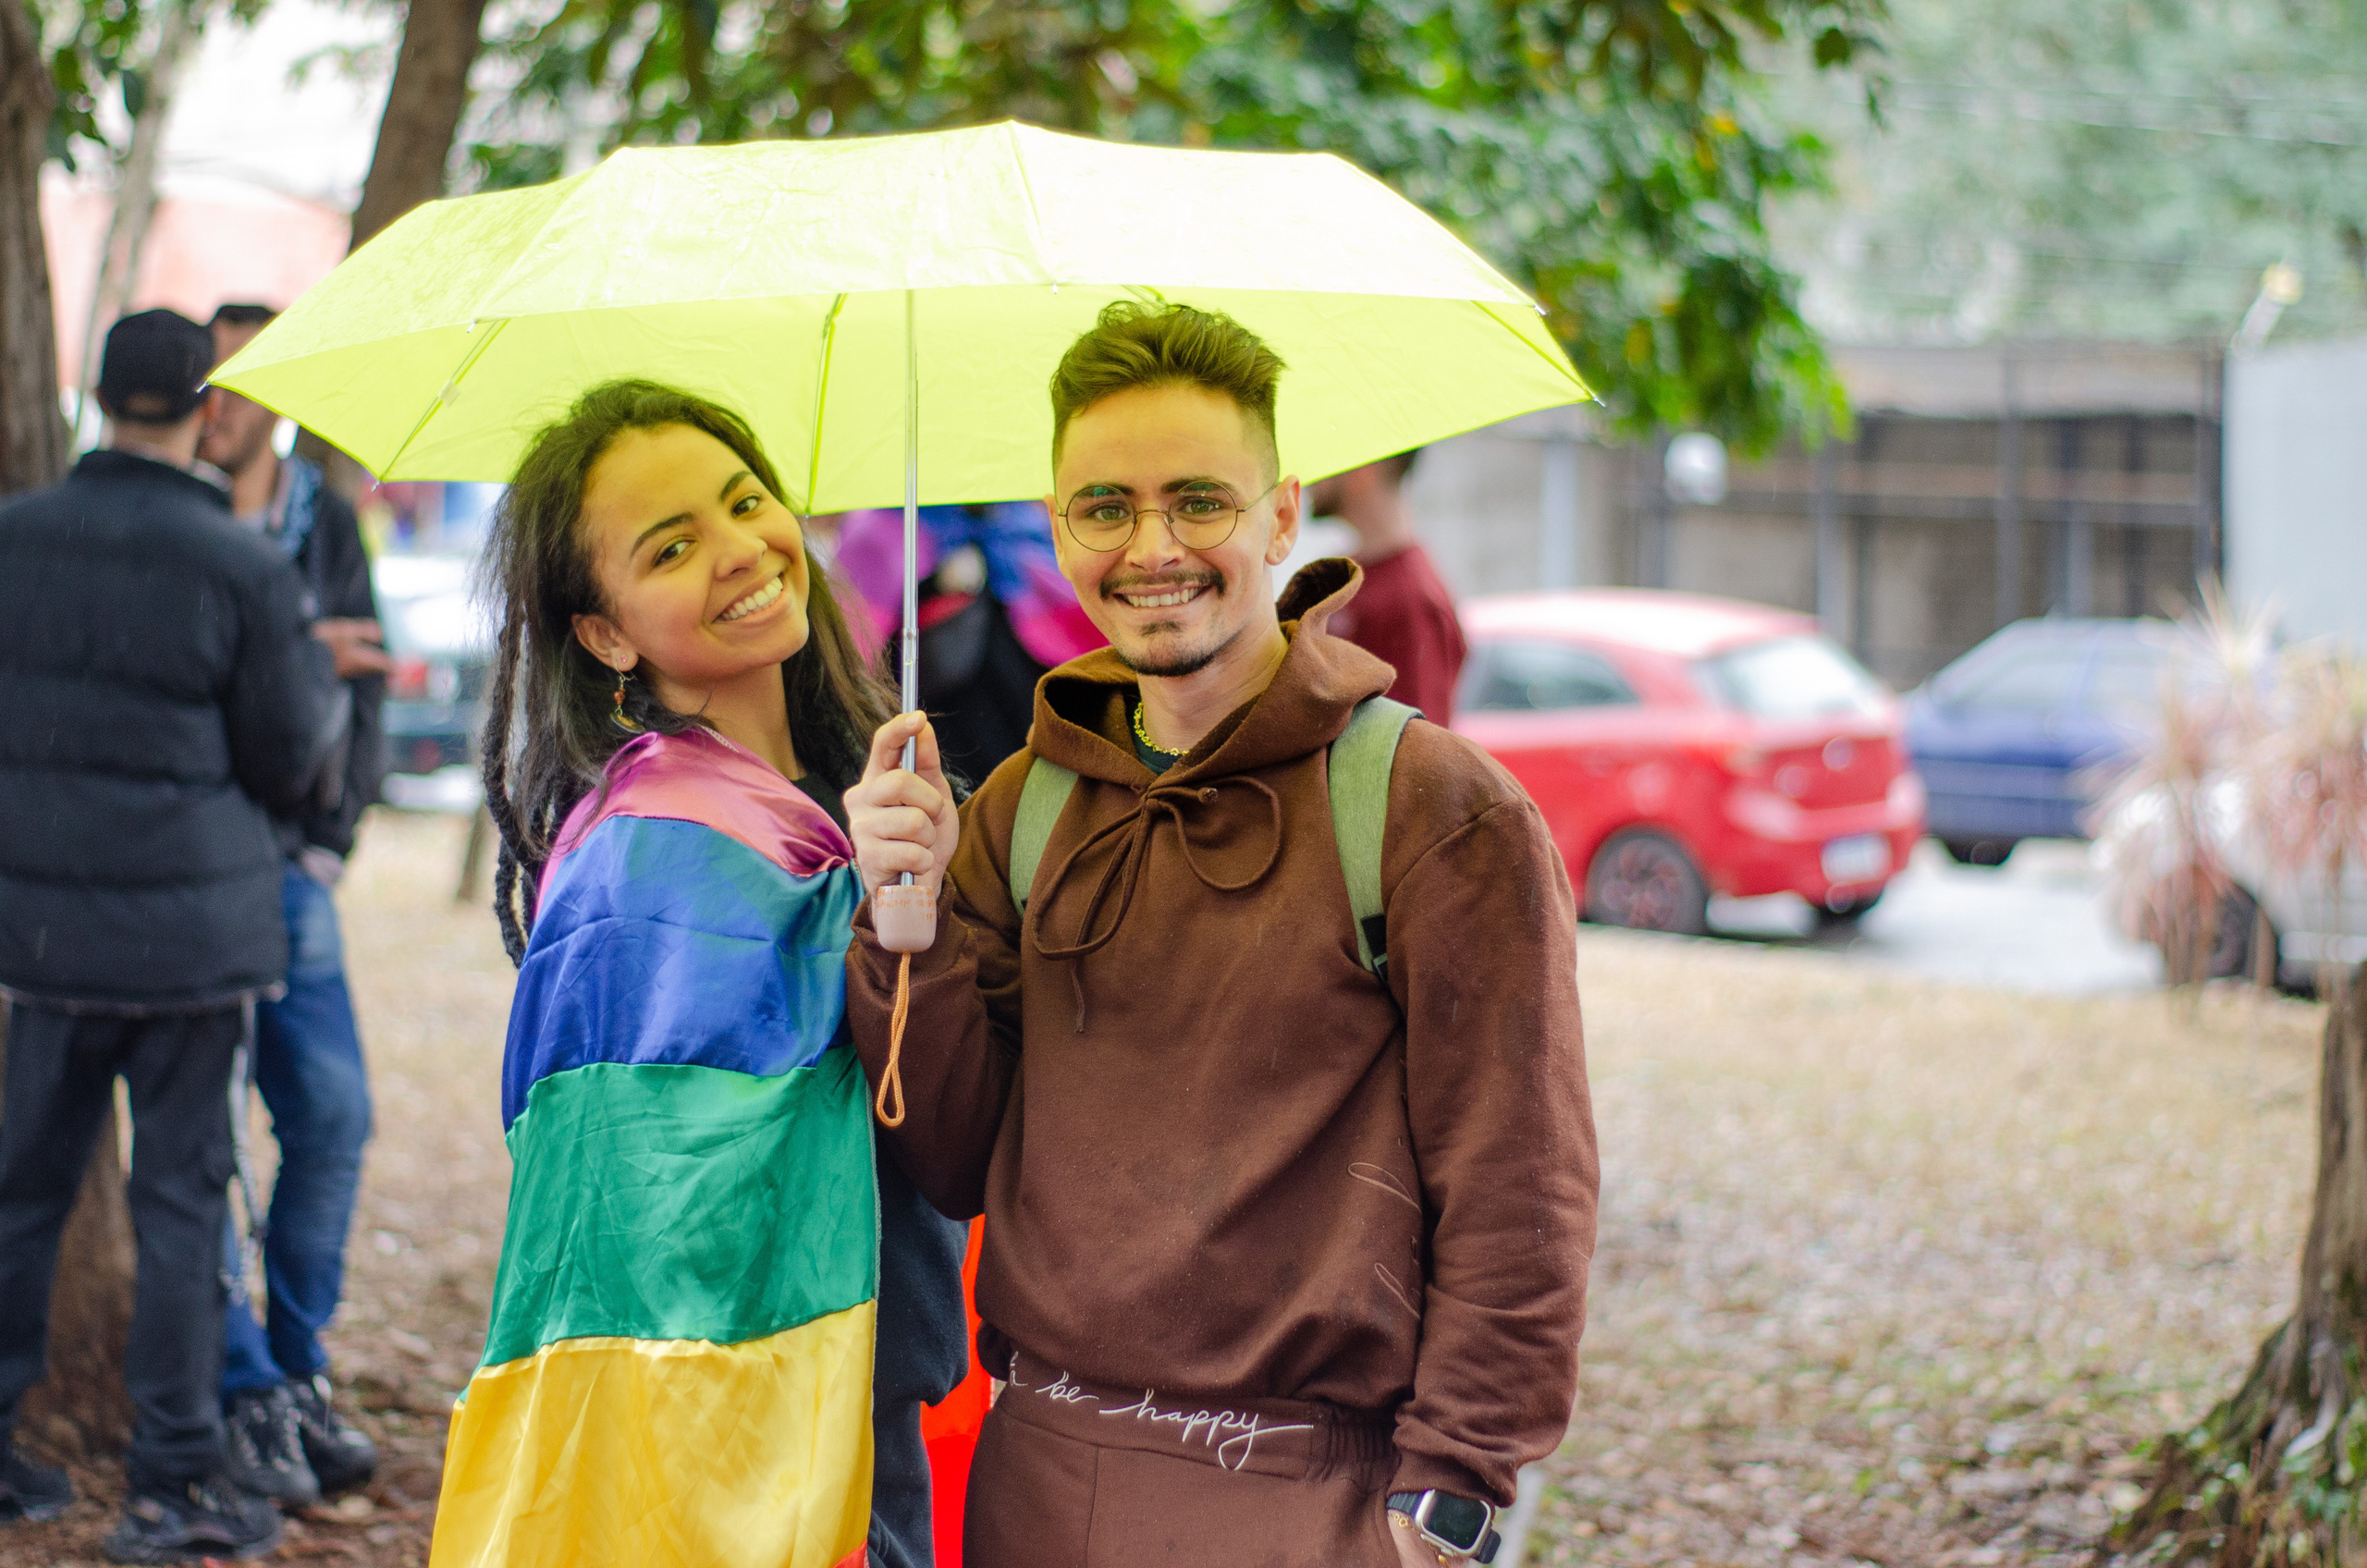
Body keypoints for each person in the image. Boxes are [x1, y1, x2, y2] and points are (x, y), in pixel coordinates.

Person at [841, 300, 1598, 1567]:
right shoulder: (1024, 805)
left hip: (1310, 1496)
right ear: (1058, 522)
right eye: (1104, 508)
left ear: (1284, 514)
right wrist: (903, 927)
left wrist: (1454, 1498)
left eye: (1199, 502)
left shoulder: (1432, 809)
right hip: (1038, 1478)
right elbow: (955, 1161)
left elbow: (1522, 1186)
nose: (1153, 548)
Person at [435, 381, 966, 1568]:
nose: (741, 551)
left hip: (891, 1395)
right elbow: (647, 1217)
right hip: (745, 1438)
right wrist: (866, 925)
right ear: (605, 632)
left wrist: (929, 888)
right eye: (673, 545)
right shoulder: (637, 864)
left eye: (746, 501)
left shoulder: (870, 792)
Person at [0, 308, 345, 1562]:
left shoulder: (14, 539)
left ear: (93, 396)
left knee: (22, 1191)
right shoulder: (244, 564)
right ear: (208, 408)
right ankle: (173, 1479)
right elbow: (293, 750)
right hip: (195, 943)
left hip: (41, 931)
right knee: (182, 1201)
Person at [197, 301, 388, 1507]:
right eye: (209, 386)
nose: (224, 408)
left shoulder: (329, 525)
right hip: (190, 868)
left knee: (333, 1114)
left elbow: (372, 678)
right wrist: (306, 651)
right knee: (197, 1138)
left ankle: (299, 1365)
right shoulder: (177, 516)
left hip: (294, 865)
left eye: (242, 386)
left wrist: (336, 838)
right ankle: (241, 1386)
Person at [1307, 450, 1469, 725]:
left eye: (1325, 454)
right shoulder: (1345, 575)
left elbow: (1418, 750)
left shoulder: (1414, 603)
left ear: (1363, 467)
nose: (1308, 474)